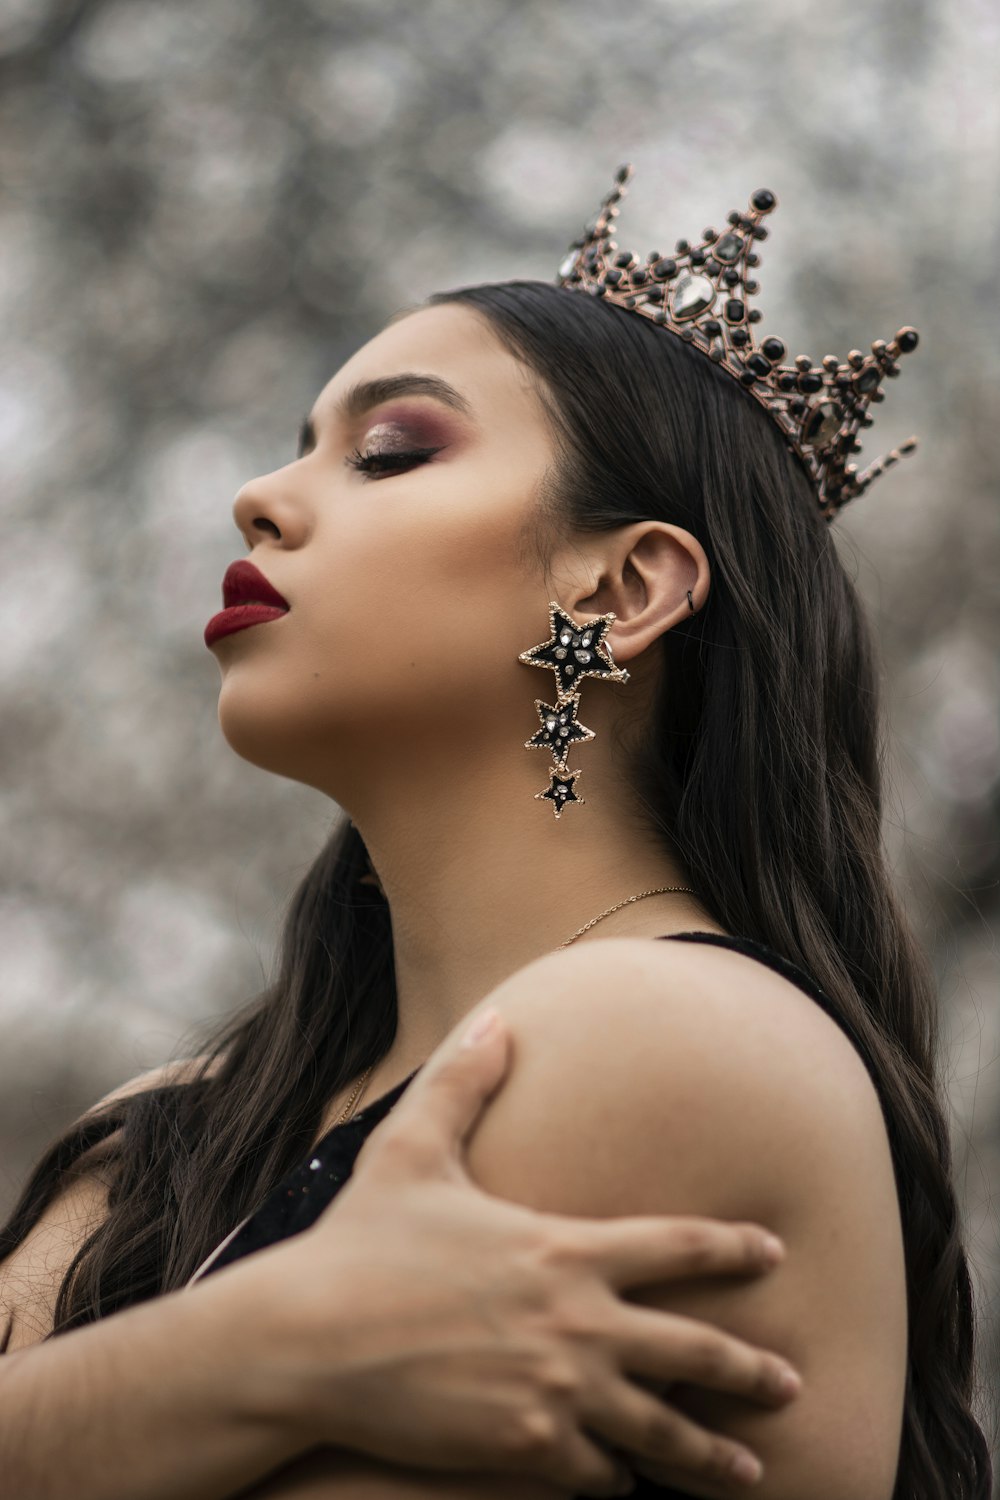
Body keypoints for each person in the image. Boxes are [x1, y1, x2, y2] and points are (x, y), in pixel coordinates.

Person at [0, 167, 992, 1498]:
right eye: (297, 445)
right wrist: (262, 1347)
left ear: (627, 584)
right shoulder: (174, 1134)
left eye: (391, 449)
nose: (260, 497)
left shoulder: (670, 1036)